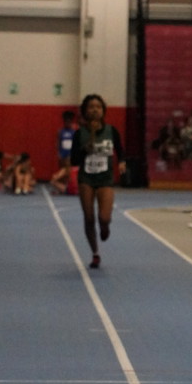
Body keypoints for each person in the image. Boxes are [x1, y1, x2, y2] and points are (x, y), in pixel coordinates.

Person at [70, 93, 125, 268]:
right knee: (89, 217)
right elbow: (73, 161)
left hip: (105, 178)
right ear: (85, 111)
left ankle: (105, 227)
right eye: (91, 107)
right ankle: (95, 253)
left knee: (104, 217)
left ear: (103, 110)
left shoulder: (111, 131)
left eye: (98, 107)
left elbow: (120, 150)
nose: (95, 110)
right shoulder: (79, 134)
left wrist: (122, 162)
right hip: (86, 178)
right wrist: (85, 149)